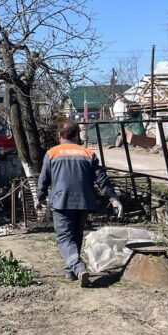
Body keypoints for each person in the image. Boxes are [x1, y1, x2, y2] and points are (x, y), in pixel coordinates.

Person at [36, 120, 123, 287]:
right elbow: (102, 179)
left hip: (61, 202)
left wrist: (39, 197)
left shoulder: (52, 153)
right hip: (83, 201)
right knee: (75, 236)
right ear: (77, 135)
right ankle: (71, 272)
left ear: (59, 135)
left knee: (64, 238)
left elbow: (43, 178)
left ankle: (78, 267)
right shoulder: (88, 154)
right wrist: (113, 198)